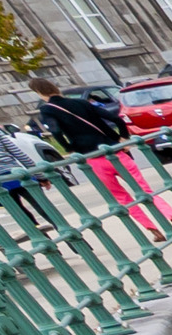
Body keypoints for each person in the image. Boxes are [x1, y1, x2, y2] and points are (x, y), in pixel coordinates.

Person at [36, 86, 158, 230]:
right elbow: (116, 119)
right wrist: (123, 137)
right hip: (114, 151)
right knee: (144, 189)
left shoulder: (47, 109)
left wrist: (68, 147)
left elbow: (55, 130)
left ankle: (152, 228)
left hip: (92, 156)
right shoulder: (82, 102)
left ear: (39, 93)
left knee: (121, 196)